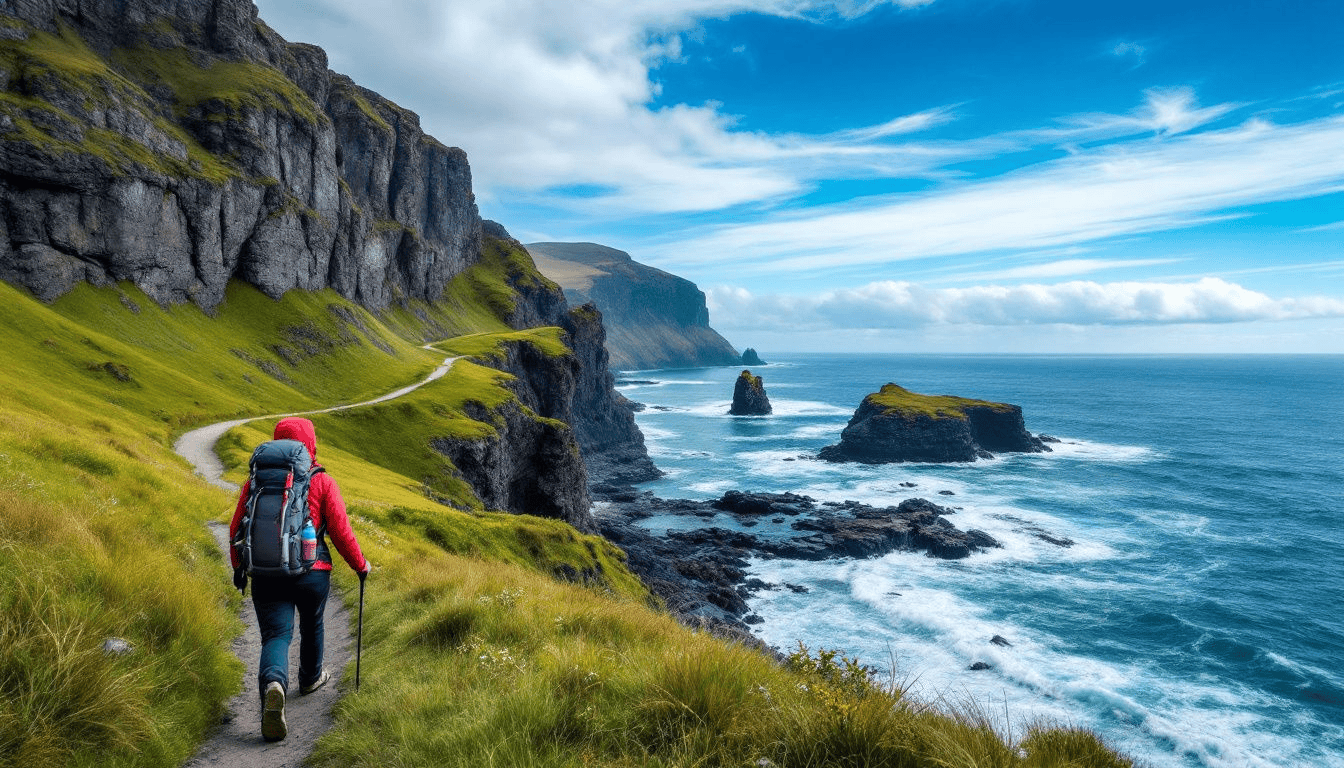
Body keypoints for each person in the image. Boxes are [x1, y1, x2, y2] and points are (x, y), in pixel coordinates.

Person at [228, 416, 370, 742]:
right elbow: (341, 532)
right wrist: (360, 566)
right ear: (312, 443)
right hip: (313, 573)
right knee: (312, 623)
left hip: (266, 574)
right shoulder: (322, 481)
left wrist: (240, 566)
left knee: (276, 635)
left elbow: (237, 529)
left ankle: (275, 685)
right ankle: (309, 678)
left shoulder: (256, 481)